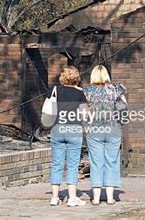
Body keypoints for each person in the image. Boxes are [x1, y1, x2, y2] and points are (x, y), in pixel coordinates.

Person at [83, 65, 126, 206]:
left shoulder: (87, 91)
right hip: (113, 129)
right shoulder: (116, 89)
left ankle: (95, 198)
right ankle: (110, 198)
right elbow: (124, 106)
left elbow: (83, 112)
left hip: (94, 130)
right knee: (112, 162)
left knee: (96, 163)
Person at [49, 66, 87, 207]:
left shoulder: (55, 91)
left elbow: (51, 111)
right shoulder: (80, 93)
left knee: (56, 164)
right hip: (73, 129)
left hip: (57, 129)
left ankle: (54, 197)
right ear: (76, 77)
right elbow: (84, 114)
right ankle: (72, 198)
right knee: (72, 165)